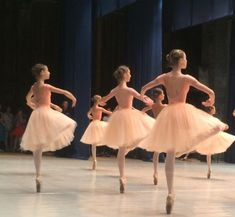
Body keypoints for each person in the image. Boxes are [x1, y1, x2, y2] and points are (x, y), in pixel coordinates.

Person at [140, 49, 233, 214]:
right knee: (204, 132)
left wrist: (143, 96)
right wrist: (211, 98)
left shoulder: (164, 77)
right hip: (183, 113)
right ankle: (187, 147)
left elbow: (145, 87)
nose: (187, 60)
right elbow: (208, 90)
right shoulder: (187, 78)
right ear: (180, 61)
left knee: (169, 153)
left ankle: (170, 192)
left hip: (169, 114)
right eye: (185, 58)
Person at [20, 63, 77, 193]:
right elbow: (64, 92)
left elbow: (28, 99)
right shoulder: (47, 86)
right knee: (69, 124)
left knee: (37, 147)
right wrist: (73, 98)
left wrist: (32, 105)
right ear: (42, 73)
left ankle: (38, 175)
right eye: (47, 70)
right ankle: (50, 138)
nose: (49, 72)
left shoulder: (34, 86)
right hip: (46, 113)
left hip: (37, 115)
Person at [99, 65, 154, 193]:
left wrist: (100, 102)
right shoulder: (129, 90)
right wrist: (149, 101)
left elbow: (104, 100)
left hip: (120, 117)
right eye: (129, 73)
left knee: (121, 148)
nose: (131, 75)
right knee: (145, 133)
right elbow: (142, 98)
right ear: (124, 75)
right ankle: (129, 149)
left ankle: (122, 176)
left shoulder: (115, 90)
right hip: (129, 116)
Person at [195, 106, 235, 179]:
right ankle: (209, 169)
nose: (215, 110)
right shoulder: (211, 119)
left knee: (208, 154)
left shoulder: (210, 119)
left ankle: (209, 169)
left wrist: (225, 126)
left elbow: (222, 126)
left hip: (211, 137)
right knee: (208, 153)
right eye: (214, 109)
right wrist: (225, 126)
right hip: (209, 137)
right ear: (211, 111)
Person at [141, 88, 167, 185]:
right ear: (159, 96)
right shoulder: (164, 106)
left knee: (156, 152)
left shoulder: (153, 106)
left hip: (156, 127)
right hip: (164, 128)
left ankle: (155, 172)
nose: (164, 95)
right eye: (163, 94)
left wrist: (146, 118)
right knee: (168, 148)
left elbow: (143, 110)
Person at [81, 95, 112, 170]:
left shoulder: (92, 108)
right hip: (99, 124)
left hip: (93, 124)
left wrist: (89, 116)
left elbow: (88, 114)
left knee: (93, 144)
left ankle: (94, 159)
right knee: (106, 136)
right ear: (98, 100)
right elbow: (108, 112)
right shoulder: (100, 108)